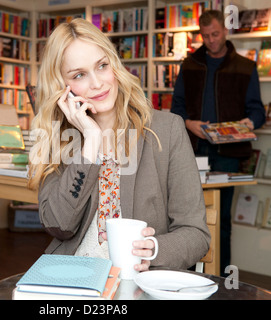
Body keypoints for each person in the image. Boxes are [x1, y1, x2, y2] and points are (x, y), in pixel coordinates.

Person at [28, 18, 210, 273]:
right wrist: (91, 142)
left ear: (114, 64)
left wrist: (154, 249)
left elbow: (196, 234)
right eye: (79, 75)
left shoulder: (167, 130)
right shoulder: (57, 138)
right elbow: (60, 225)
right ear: (62, 88)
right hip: (76, 277)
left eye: (102, 66)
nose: (97, 83)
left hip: (140, 280)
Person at [171, 10, 266, 275]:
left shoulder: (245, 67)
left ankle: (222, 278)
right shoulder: (189, 65)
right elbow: (176, 109)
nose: (211, 41)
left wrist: (247, 124)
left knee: (222, 220)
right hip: (193, 152)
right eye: (206, 36)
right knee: (188, 218)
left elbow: (257, 111)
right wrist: (190, 124)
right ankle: (188, 274)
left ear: (225, 30)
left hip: (229, 153)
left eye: (215, 34)